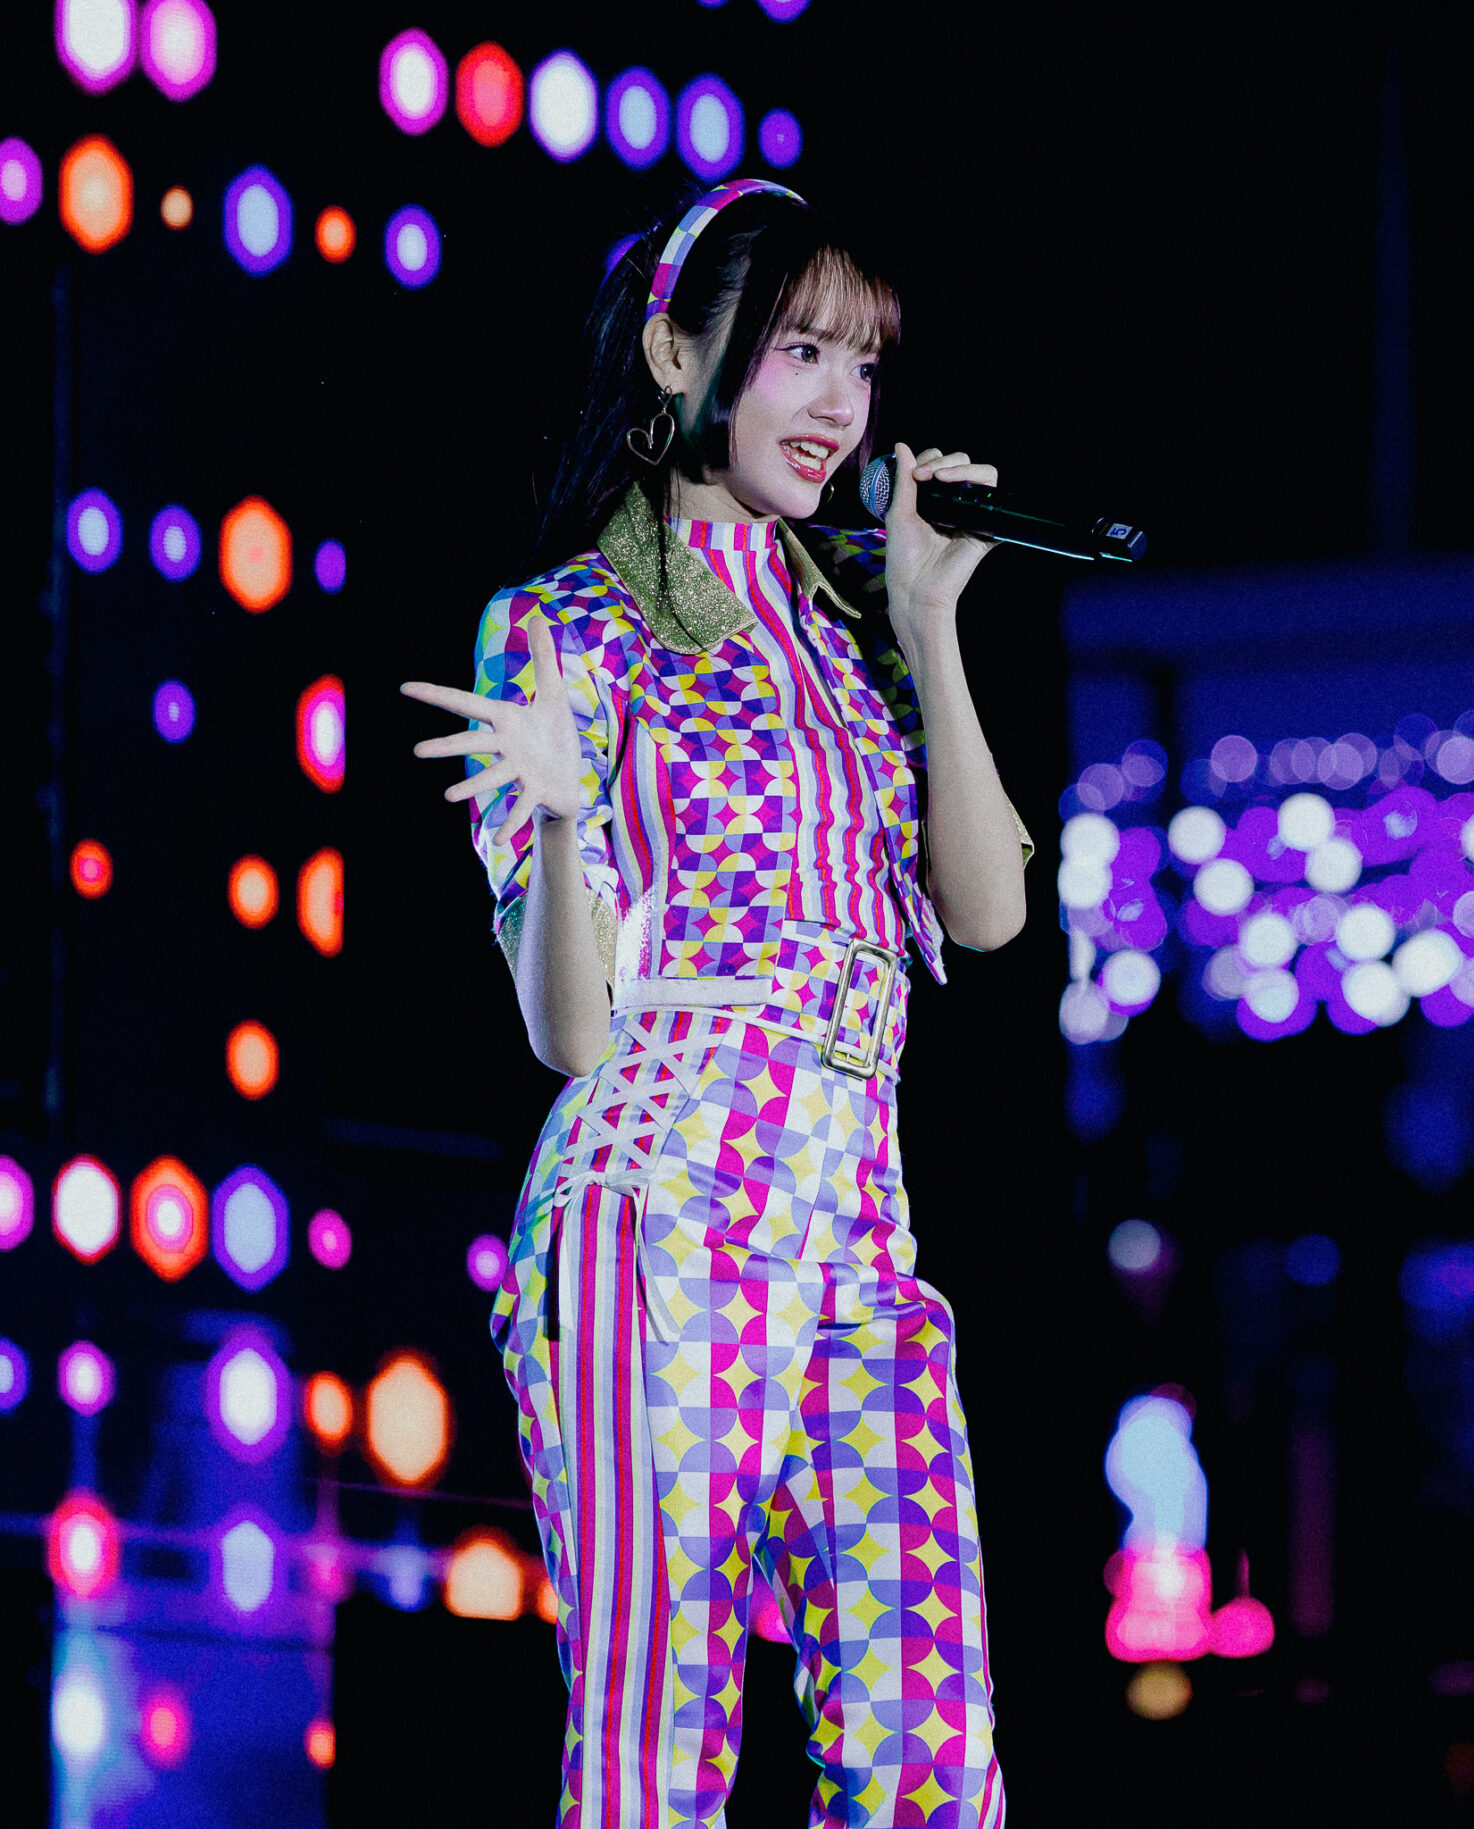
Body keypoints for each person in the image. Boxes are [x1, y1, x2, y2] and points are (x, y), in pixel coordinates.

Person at [401, 179, 1026, 1829]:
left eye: (864, 361)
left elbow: (988, 911)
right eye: (800, 349)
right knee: (657, 1729)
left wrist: (927, 621)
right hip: (660, 1203)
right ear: (677, 355)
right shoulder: (571, 624)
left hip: (859, 1227)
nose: (840, 401)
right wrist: (553, 822)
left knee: (931, 1753)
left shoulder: (859, 638)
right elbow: (571, 1034)